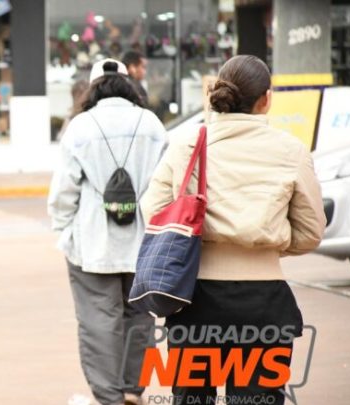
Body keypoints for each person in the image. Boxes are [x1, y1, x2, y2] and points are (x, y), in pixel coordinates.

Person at [141, 55, 326, 405]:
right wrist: (269, 244)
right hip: (264, 304)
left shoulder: (186, 145)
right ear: (266, 99)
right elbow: (311, 230)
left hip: (193, 298)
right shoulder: (291, 151)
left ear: (216, 92)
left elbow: (153, 210)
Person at [47, 59, 167, 405]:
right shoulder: (152, 125)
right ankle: (133, 389)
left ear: (93, 86)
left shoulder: (80, 127)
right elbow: (168, 184)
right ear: (129, 85)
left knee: (98, 320)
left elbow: (63, 192)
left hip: (92, 244)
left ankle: (108, 397)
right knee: (140, 316)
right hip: (145, 244)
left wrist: (65, 231)